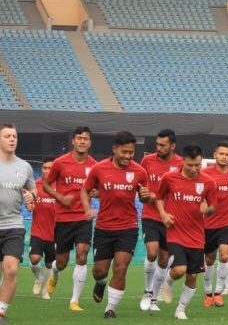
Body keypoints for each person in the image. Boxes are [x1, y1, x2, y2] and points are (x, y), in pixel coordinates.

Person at [81, 131, 150, 318]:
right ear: (114, 149)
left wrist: (146, 197)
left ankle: (110, 309)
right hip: (104, 228)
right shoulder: (99, 168)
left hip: (128, 227)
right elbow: (85, 190)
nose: (128, 156)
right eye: (124, 152)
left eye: (131, 152)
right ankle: (101, 282)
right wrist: (87, 208)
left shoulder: (140, 172)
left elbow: (147, 196)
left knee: (121, 267)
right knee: (99, 271)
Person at [153, 144, 216, 320]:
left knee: (193, 275)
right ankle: (169, 281)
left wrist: (207, 209)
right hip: (175, 233)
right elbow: (158, 197)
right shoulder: (169, 178)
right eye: (190, 165)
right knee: (180, 269)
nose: (194, 169)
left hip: (197, 236)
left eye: (197, 165)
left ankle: (181, 309)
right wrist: (163, 214)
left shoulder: (208, 182)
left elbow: (213, 207)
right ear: (183, 161)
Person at [43, 126, 97, 311]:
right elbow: (46, 184)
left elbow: (98, 190)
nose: (82, 141)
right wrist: (60, 197)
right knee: (62, 262)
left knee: (82, 253)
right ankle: (55, 274)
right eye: (79, 138)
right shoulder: (60, 163)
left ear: (90, 142)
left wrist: (95, 193)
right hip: (63, 218)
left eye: (86, 138)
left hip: (83, 217)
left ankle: (74, 300)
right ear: (73, 141)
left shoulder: (94, 165)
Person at [139, 129, 182, 311]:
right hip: (151, 214)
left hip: (170, 218)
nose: (159, 148)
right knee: (152, 252)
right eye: (157, 144)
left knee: (164, 260)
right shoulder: (147, 161)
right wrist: (144, 195)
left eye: (163, 145)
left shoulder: (180, 163)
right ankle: (148, 291)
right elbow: (140, 189)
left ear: (172, 145)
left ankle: (154, 299)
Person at [0, 123, 37, 322]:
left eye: (14, 136)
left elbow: (33, 194)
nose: (12, 139)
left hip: (14, 225)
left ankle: (1, 311)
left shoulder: (25, 167)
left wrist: (32, 199)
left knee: (11, 269)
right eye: (7, 136)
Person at [201, 141, 228, 307]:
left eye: (227, 154)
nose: (224, 157)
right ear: (214, 155)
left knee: (225, 256)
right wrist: (203, 205)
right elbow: (198, 192)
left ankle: (218, 292)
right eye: (221, 154)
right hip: (209, 223)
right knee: (209, 259)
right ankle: (207, 293)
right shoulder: (205, 173)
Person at [29, 157, 55, 300]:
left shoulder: (61, 187)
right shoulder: (35, 186)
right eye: (45, 168)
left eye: (50, 168)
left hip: (55, 234)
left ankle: (45, 290)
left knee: (50, 264)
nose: (47, 171)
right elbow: (30, 204)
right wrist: (30, 205)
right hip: (37, 231)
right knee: (34, 259)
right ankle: (39, 278)